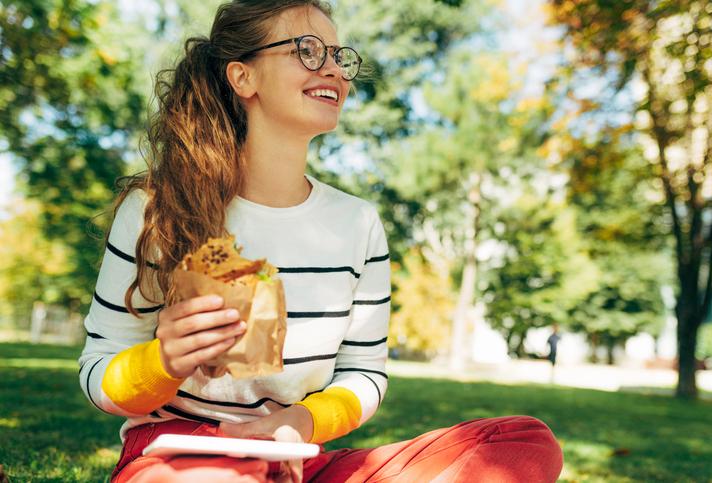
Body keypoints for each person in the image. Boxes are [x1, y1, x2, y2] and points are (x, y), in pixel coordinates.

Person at [78, 1, 564, 481]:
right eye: (307, 51)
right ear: (242, 77)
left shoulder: (358, 223)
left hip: (297, 458)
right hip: (178, 456)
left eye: (339, 56)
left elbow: (364, 373)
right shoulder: (157, 206)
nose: (334, 70)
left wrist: (300, 421)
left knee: (522, 443)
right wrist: (162, 361)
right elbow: (98, 373)